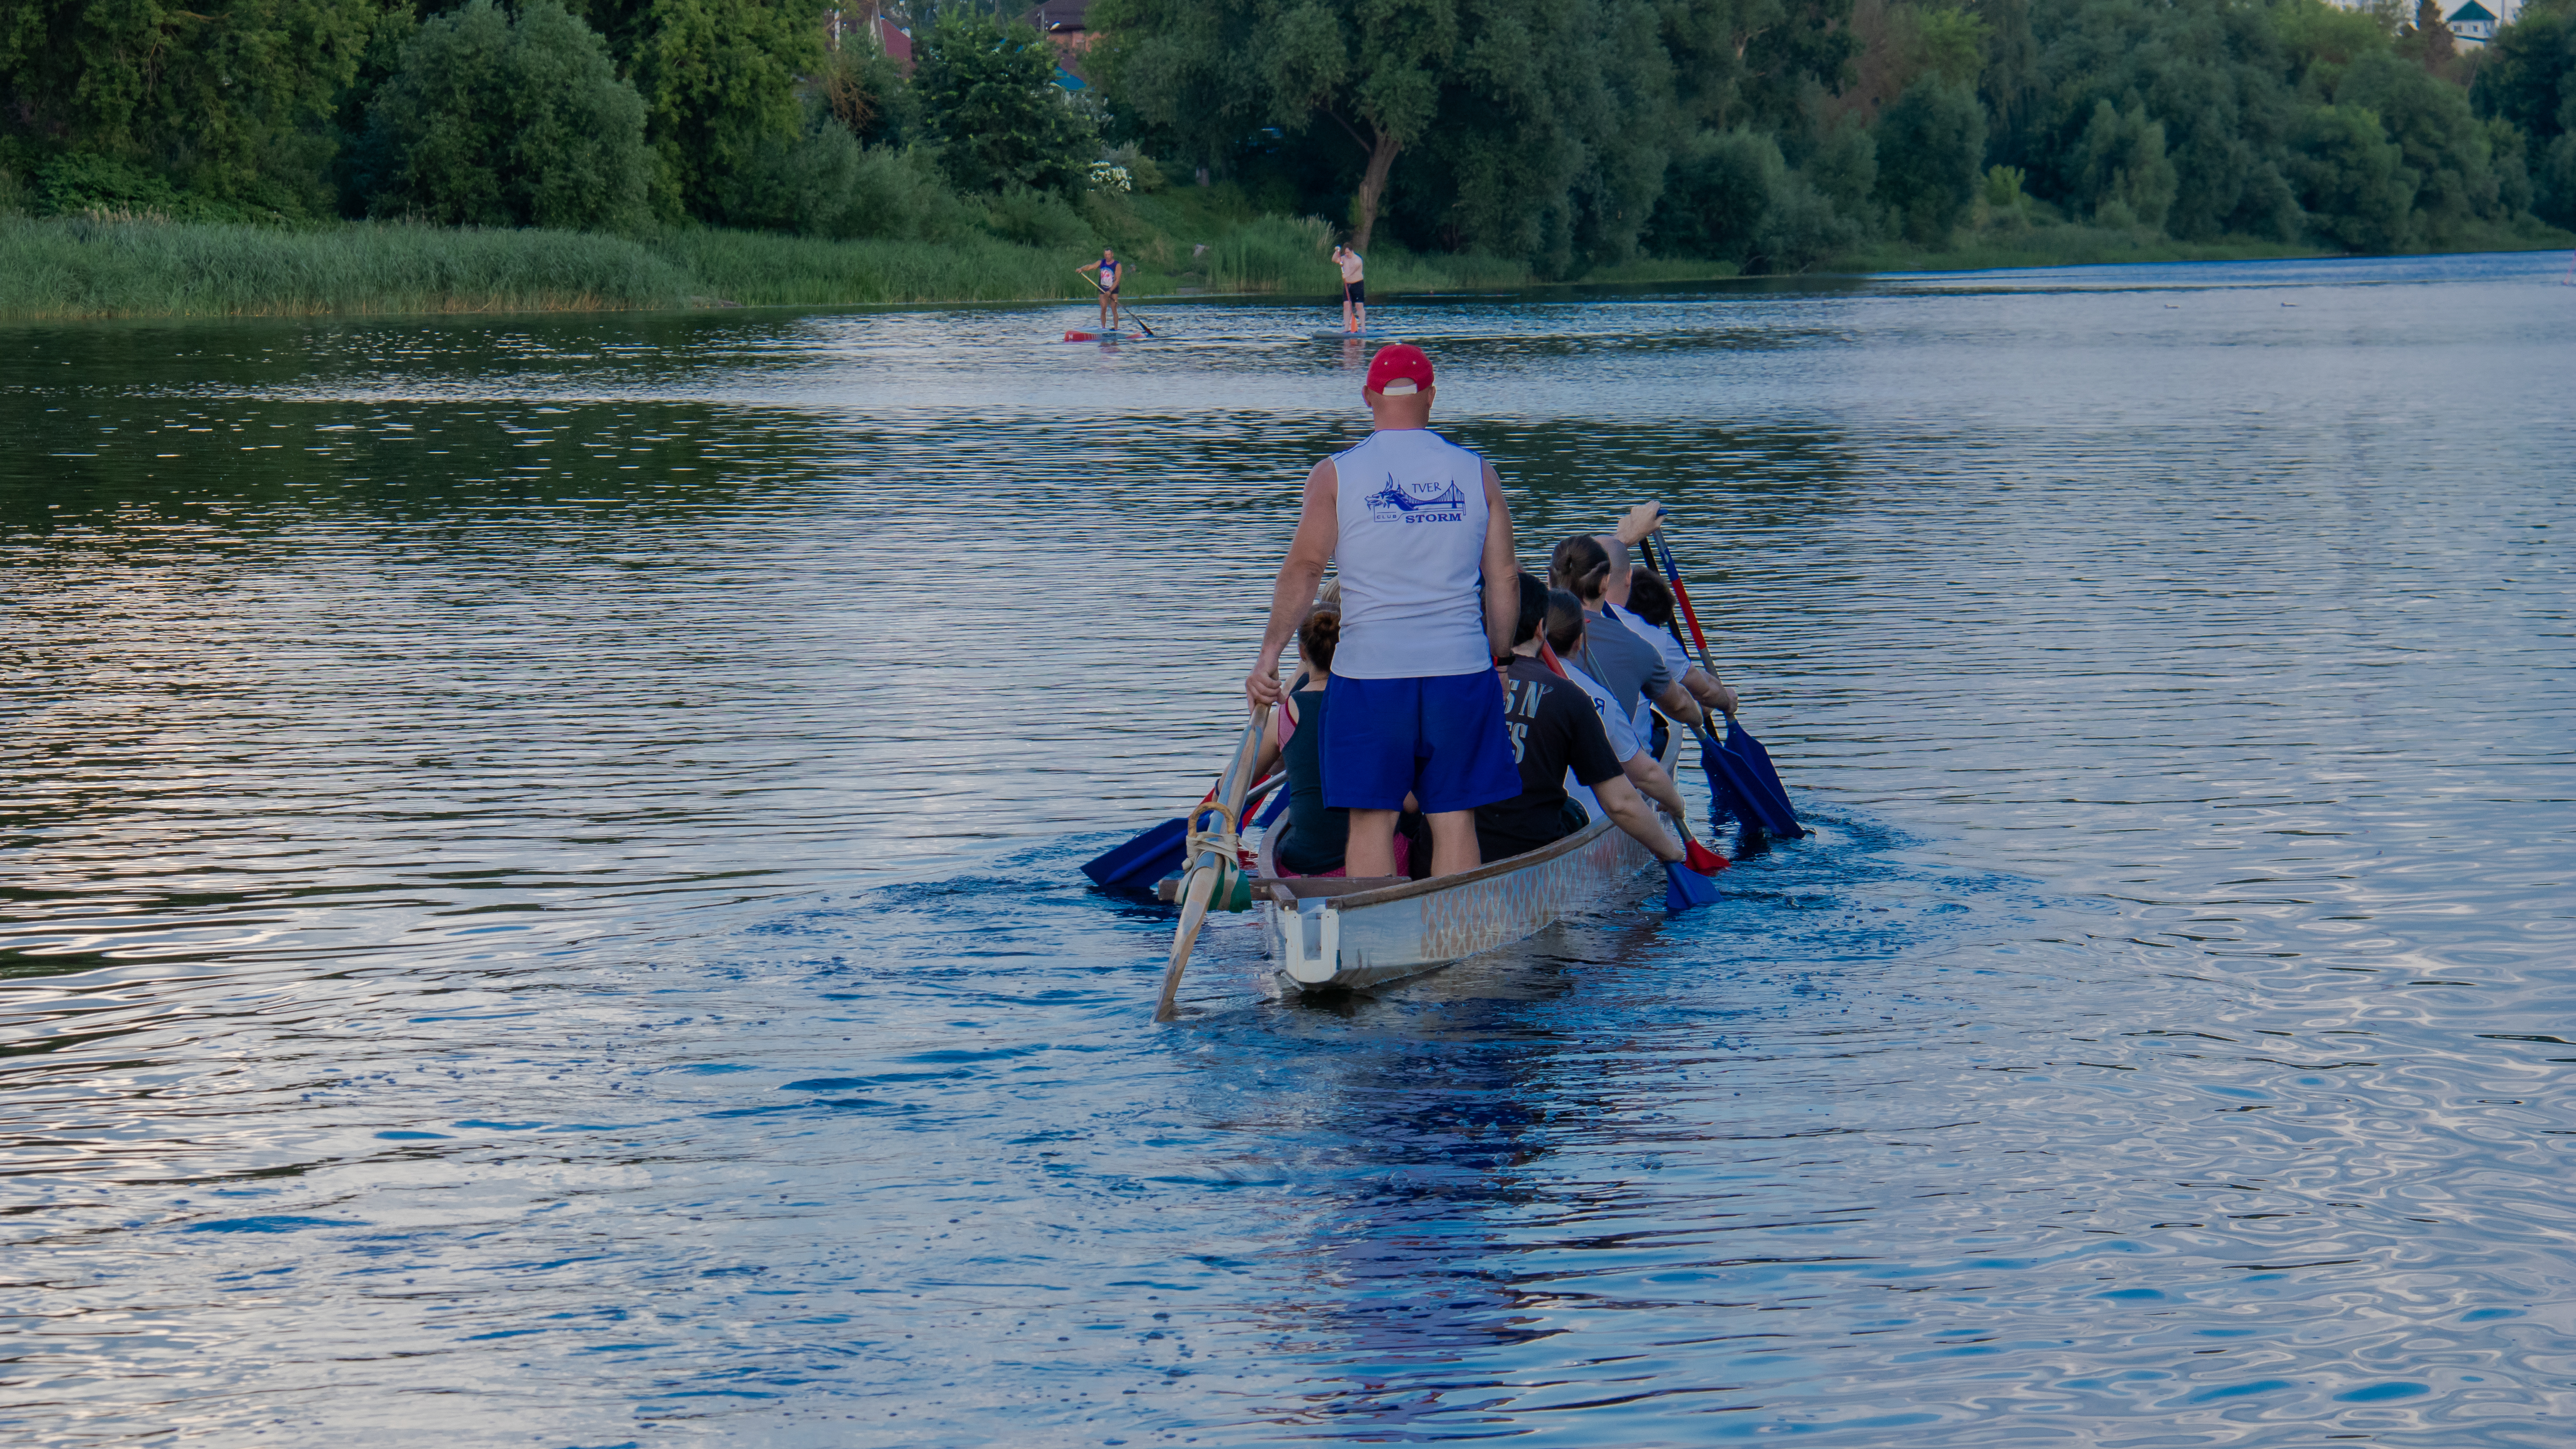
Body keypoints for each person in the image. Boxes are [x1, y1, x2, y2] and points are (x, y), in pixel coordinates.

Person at [1245, 343, 1520, 879]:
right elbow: (1504, 578)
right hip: (1460, 669)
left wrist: (1270, 656)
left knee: (1371, 819)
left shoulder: (1335, 474)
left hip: (1369, 674)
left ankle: (1371, 943)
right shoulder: (1478, 473)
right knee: (1454, 818)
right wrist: (1503, 661)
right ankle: (1455, 949)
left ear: (1368, 397)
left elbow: (1304, 569)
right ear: (1431, 398)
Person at [1479, 579, 1687, 867]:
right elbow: (1620, 804)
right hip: (1531, 848)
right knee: (1573, 811)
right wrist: (1671, 852)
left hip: (1447, 848)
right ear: (1541, 629)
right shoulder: (1575, 697)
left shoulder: (1452, 686)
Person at [1540, 589, 1720, 862]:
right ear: (1580, 641)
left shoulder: (1504, 682)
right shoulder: (1598, 700)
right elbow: (1644, 775)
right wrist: (1676, 804)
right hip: (1585, 815)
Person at [1548, 534, 1710, 736]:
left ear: (1549, 580)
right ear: (1605, 583)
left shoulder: (1523, 628)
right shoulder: (1638, 646)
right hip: (1611, 754)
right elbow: (1680, 705)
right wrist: (1699, 716)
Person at [1598, 504, 1738, 718]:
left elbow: (1570, 575)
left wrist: (1623, 539)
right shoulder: (1653, 639)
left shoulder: (1562, 616)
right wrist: (1726, 700)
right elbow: (1706, 691)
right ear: (1629, 578)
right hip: (1628, 748)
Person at [1078, 248, 1122, 331]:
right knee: (1104, 308)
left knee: (1114, 309)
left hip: (1113, 289)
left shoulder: (1117, 265)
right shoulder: (1101, 262)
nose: (1107, 257)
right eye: (1106, 255)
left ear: (1112, 255)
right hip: (1103, 289)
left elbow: (1118, 280)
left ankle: (1116, 329)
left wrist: (1110, 291)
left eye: (1109, 255)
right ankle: (1104, 329)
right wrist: (1082, 269)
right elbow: (1091, 267)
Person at [1332, 244, 1366, 333]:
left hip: (1358, 284)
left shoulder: (1358, 260)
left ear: (1352, 251)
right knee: (1347, 306)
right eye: (1345, 253)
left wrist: (1347, 275)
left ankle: (1363, 328)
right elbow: (1334, 259)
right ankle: (1347, 327)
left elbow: (1354, 269)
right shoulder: (1344, 258)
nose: (1347, 254)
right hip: (1348, 285)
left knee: (1359, 306)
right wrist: (1337, 251)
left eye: (1348, 253)